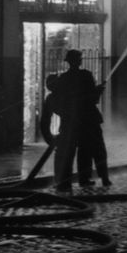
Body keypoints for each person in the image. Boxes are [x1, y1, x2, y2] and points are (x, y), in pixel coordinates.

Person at [50, 48, 99, 193]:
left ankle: (65, 182)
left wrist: (64, 114)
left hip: (68, 120)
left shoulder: (63, 79)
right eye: (80, 58)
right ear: (78, 61)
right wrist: (98, 91)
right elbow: (92, 98)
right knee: (85, 150)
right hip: (84, 120)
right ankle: (84, 179)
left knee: (68, 152)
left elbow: (58, 101)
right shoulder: (86, 76)